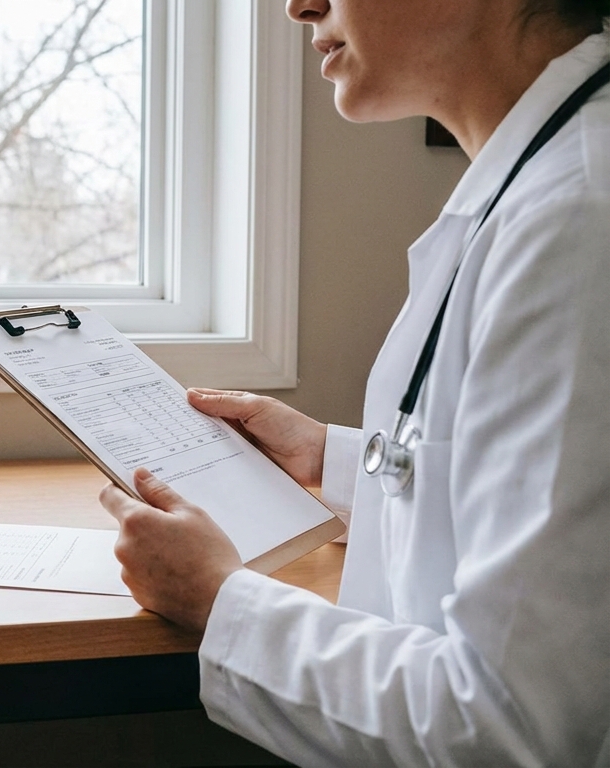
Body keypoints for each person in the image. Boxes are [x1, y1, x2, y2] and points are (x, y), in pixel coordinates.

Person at [101, 0, 610, 764]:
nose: (298, 5)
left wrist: (220, 599)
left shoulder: (578, 220)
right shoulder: (535, 186)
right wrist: (335, 462)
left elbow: (510, 731)